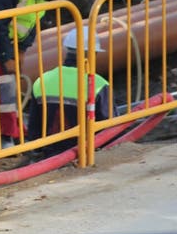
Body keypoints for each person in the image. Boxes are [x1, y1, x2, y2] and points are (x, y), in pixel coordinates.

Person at [0, 0, 81, 148]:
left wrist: (21, 50)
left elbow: (30, 24)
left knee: (2, 87)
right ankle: (1, 133)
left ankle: (3, 133)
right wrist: (6, 58)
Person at [27, 26, 113, 157]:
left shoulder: (42, 80)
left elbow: (34, 128)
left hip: (49, 155)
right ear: (92, 54)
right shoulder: (98, 84)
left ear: (67, 51)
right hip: (86, 154)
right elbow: (111, 128)